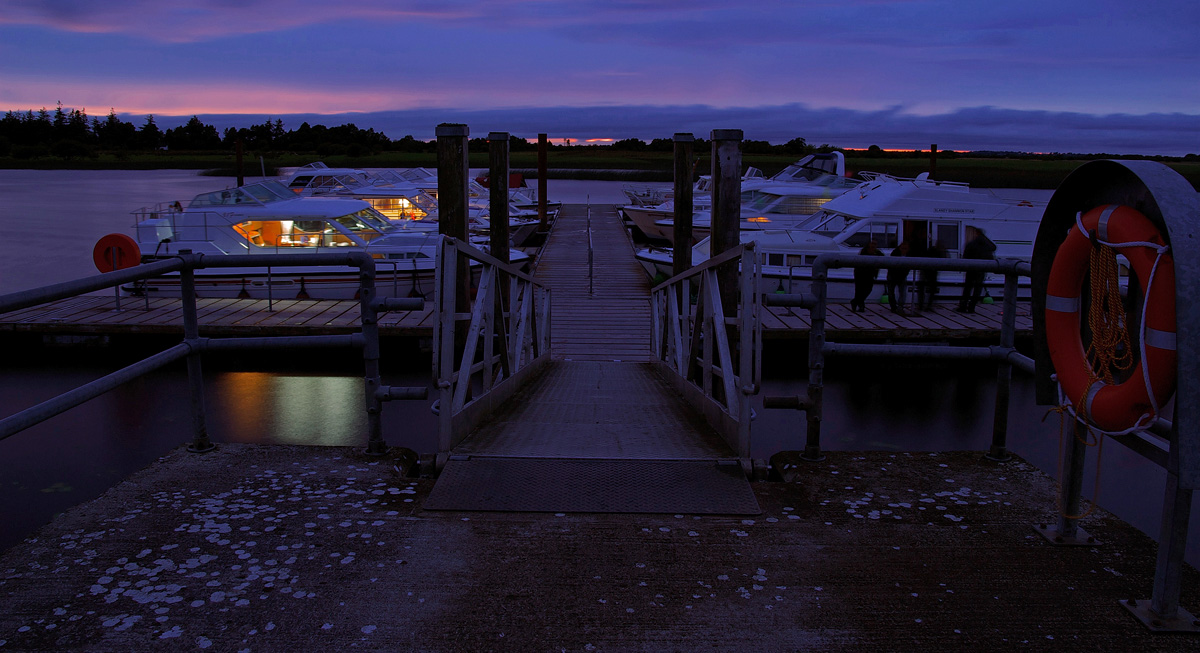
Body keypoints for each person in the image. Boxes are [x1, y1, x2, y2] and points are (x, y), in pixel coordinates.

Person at [958, 227, 996, 313]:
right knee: (977, 289)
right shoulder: (987, 245)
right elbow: (993, 249)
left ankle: (963, 307)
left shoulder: (971, 244)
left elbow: (965, 256)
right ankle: (972, 307)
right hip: (982, 269)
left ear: (976, 233)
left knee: (967, 288)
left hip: (971, 269)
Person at [850, 239, 883, 312]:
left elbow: (883, 259)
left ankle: (855, 301)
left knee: (868, 289)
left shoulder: (877, 252)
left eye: (875, 244)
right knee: (859, 290)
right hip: (860, 273)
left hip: (870, 274)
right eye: (872, 243)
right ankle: (860, 305)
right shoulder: (863, 251)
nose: (873, 245)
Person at [918, 239, 947, 311]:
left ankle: (924, 305)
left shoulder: (932, 250)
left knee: (926, 290)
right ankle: (925, 305)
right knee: (928, 290)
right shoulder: (935, 251)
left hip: (929, 272)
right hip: (929, 272)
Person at [886, 241, 911, 315]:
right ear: (900, 248)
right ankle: (893, 307)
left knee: (902, 292)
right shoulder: (895, 253)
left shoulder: (909, 255)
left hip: (902, 276)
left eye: (905, 248)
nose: (904, 250)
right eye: (902, 248)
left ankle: (900, 307)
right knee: (891, 293)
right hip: (892, 275)